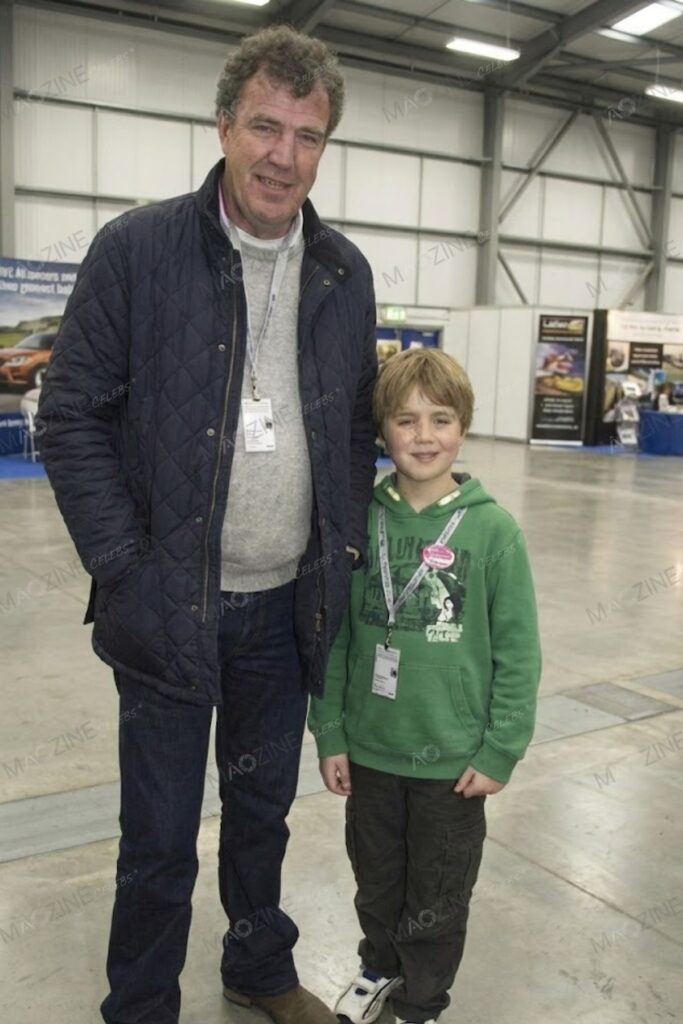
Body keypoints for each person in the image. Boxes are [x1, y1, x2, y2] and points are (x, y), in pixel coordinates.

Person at [35, 25, 377, 1024]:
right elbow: (70, 415)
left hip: (283, 614)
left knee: (260, 815)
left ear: (323, 147)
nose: (282, 154)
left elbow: (354, 430)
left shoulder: (343, 275)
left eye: (306, 136)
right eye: (263, 127)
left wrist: (341, 550)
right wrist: (125, 568)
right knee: (157, 834)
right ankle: (139, 1004)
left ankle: (256, 966)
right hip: (167, 609)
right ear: (223, 125)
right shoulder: (137, 251)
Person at [308, 348, 542, 1024]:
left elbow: (518, 652)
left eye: (440, 419)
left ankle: (421, 997)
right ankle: (378, 965)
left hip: (451, 761)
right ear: (382, 430)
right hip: (371, 750)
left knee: (437, 888)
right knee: (376, 877)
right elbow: (337, 638)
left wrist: (499, 749)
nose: (423, 436)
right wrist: (330, 729)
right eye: (405, 420)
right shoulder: (362, 523)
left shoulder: (492, 530)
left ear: (462, 429)